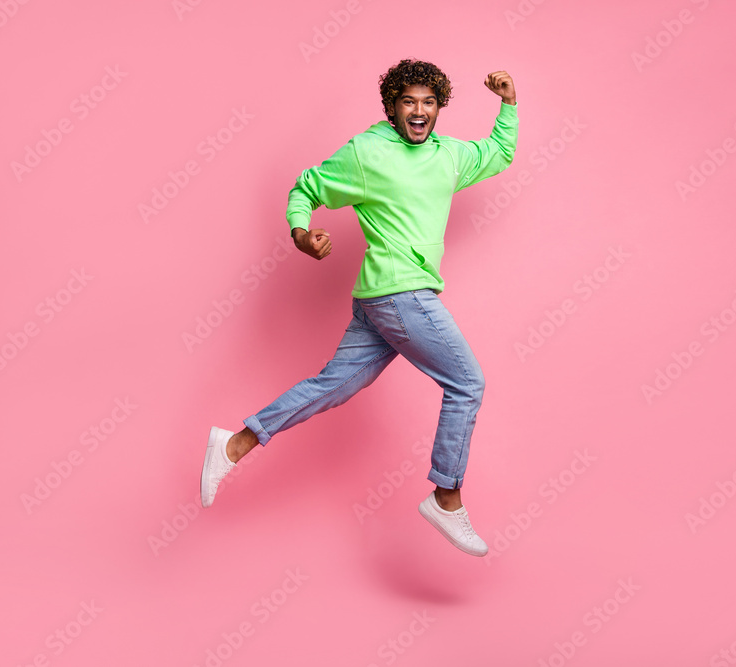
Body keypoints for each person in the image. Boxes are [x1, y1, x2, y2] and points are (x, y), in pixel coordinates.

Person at [200, 59, 518, 557]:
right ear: (392, 108)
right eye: (408, 101)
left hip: (380, 302)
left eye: (428, 102)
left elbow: (498, 153)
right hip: (401, 293)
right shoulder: (367, 152)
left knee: (333, 386)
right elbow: (306, 186)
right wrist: (301, 232)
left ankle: (232, 444)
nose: (419, 110)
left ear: (439, 109)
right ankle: (446, 497)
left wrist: (508, 104)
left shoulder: (449, 156)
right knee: (467, 383)